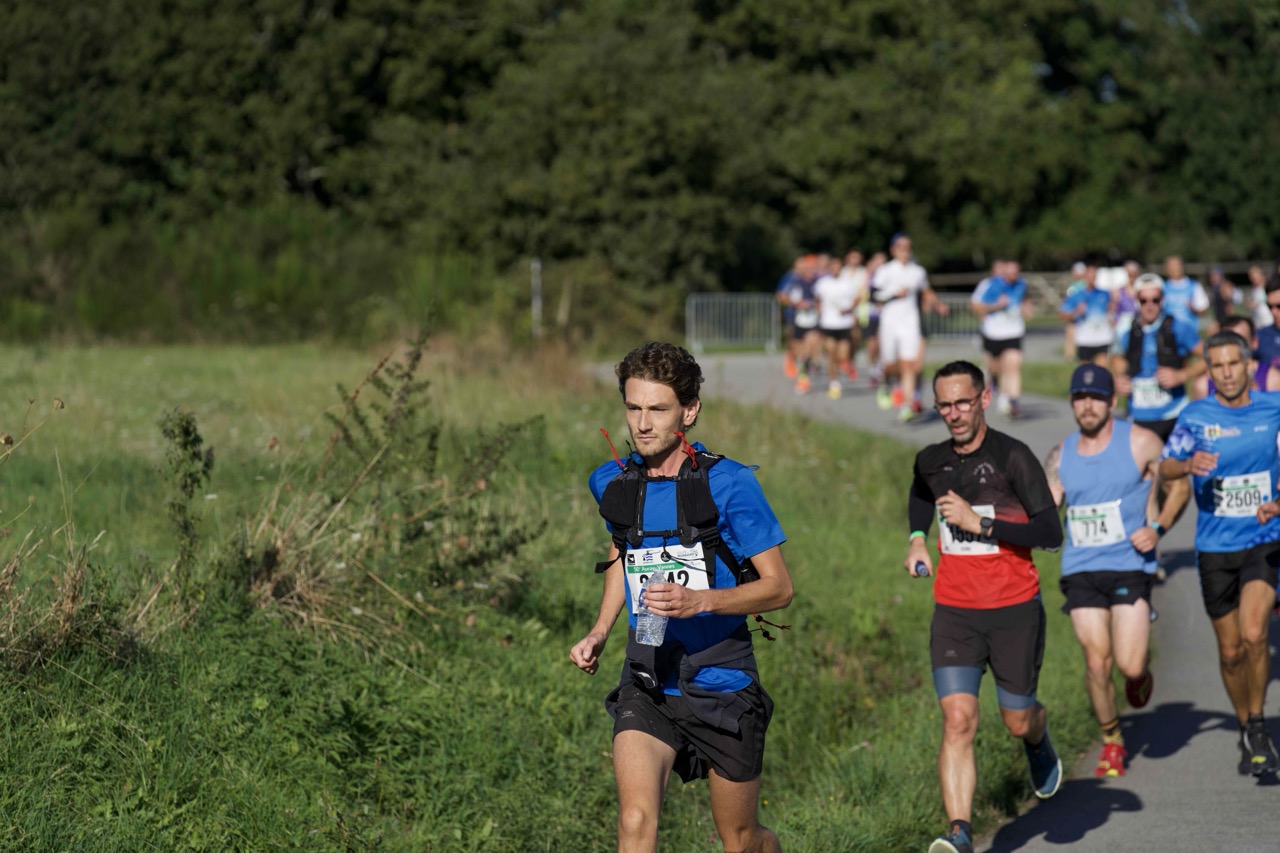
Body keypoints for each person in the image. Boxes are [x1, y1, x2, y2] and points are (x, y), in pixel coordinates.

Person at [570, 342, 795, 852]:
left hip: (721, 680)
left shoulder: (730, 484)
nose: (642, 423)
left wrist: (701, 601)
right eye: (633, 407)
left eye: (657, 409)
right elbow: (622, 553)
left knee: (741, 839)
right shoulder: (611, 482)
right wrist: (600, 631)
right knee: (634, 821)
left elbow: (780, 588)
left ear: (689, 412)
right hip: (647, 676)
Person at [904, 361, 1065, 853]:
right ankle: (959, 833)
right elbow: (920, 495)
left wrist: (982, 524)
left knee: (1017, 719)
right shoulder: (931, 459)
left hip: (1014, 609)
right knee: (958, 720)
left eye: (963, 402)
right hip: (955, 612)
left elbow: (1050, 533)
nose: (954, 413)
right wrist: (917, 539)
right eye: (944, 405)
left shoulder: (1013, 457)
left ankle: (1037, 737)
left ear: (984, 399)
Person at [1044, 365, 1180, 777]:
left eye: (1096, 398)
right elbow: (1046, 505)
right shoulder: (1060, 454)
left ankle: (1139, 676)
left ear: (1112, 401)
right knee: (1096, 662)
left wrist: (1158, 528)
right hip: (1081, 569)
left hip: (1129, 566)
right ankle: (1112, 739)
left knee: (1130, 666)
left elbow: (1180, 486)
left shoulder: (1141, 441)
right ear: (1072, 403)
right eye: (1080, 398)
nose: (1087, 405)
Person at [1158, 331, 1280, 777]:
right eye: (1217, 366)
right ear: (1208, 371)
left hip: (1264, 538)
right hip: (1214, 547)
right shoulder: (1195, 415)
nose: (1227, 373)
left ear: (1249, 365)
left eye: (1233, 363)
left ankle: (1260, 725)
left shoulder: (1273, 407)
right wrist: (1188, 465)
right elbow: (1165, 466)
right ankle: (1245, 726)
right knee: (1230, 652)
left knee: (1254, 633)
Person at [1111, 273, 1205, 441]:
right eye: (1143, 300)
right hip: (1137, 414)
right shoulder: (1125, 329)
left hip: (1173, 412)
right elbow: (1117, 358)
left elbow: (1208, 356)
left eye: (1155, 300)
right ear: (1136, 301)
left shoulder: (1179, 327)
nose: (1150, 306)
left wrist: (1182, 375)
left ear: (1163, 300)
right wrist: (1120, 378)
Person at [875, 233, 930, 421]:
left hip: (910, 322)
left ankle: (907, 405)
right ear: (893, 250)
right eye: (901, 247)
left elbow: (926, 290)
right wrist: (893, 295)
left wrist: (936, 304)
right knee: (890, 365)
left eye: (908, 247)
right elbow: (874, 294)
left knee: (908, 364)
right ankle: (885, 381)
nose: (905, 251)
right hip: (890, 322)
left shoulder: (918, 271)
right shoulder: (885, 271)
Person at [971, 259, 1032, 419]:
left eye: (1016, 272)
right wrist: (997, 306)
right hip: (993, 333)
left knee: (1012, 366)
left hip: (1014, 332)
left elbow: (1024, 300)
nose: (1013, 276)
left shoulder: (1021, 284)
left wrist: (1026, 309)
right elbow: (975, 306)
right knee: (995, 368)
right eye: (1010, 272)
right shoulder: (990, 285)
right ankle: (997, 386)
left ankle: (1012, 400)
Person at [815, 254, 860, 399]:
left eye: (838, 266)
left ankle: (843, 368)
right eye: (833, 266)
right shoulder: (822, 283)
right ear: (829, 268)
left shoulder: (847, 283)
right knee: (831, 354)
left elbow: (857, 298)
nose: (835, 269)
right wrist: (819, 310)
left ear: (841, 268)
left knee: (842, 355)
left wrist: (849, 309)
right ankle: (833, 382)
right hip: (828, 323)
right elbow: (817, 298)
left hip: (844, 323)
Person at [1059, 261, 1114, 366]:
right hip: (1085, 339)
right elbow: (1062, 316)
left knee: (1101, 370)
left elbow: (1112, 311)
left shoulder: (1105, 294)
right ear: (1084, 276)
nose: (1091, 278)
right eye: (1089, 275)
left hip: (1102, 338)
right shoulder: (1076, 295)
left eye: (1094, 275)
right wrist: (1076, 311)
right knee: (1085, 371)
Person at [1162, 255, 1210, 329]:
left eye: (1178, 265)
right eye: (1172, 266)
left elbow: (1203, 311)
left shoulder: (1194, 286)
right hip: (1169, 332)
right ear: (1167, 269)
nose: (1175, 268)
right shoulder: (1162, 287)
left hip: (1190, 331)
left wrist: (1193, 309)